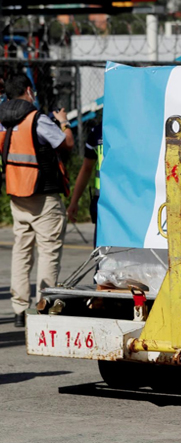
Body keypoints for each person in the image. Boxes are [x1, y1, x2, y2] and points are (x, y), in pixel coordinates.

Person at [0, 74, 73, 328]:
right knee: (48, 252)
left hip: (17, 193)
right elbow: (67, 144)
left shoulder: (3, 121)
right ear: (29, 91)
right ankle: (45, 307)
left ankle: (19, 309)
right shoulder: (37, 119)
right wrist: (63, 123)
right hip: (43, 196)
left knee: (21, 251)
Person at [67, 122, 102, 245]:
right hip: (104, 202)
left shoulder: (99, 130)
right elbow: (86, 168)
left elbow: (87, 168)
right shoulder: (98, 131)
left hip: (104, 201)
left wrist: (74, 202)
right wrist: (74, 201)